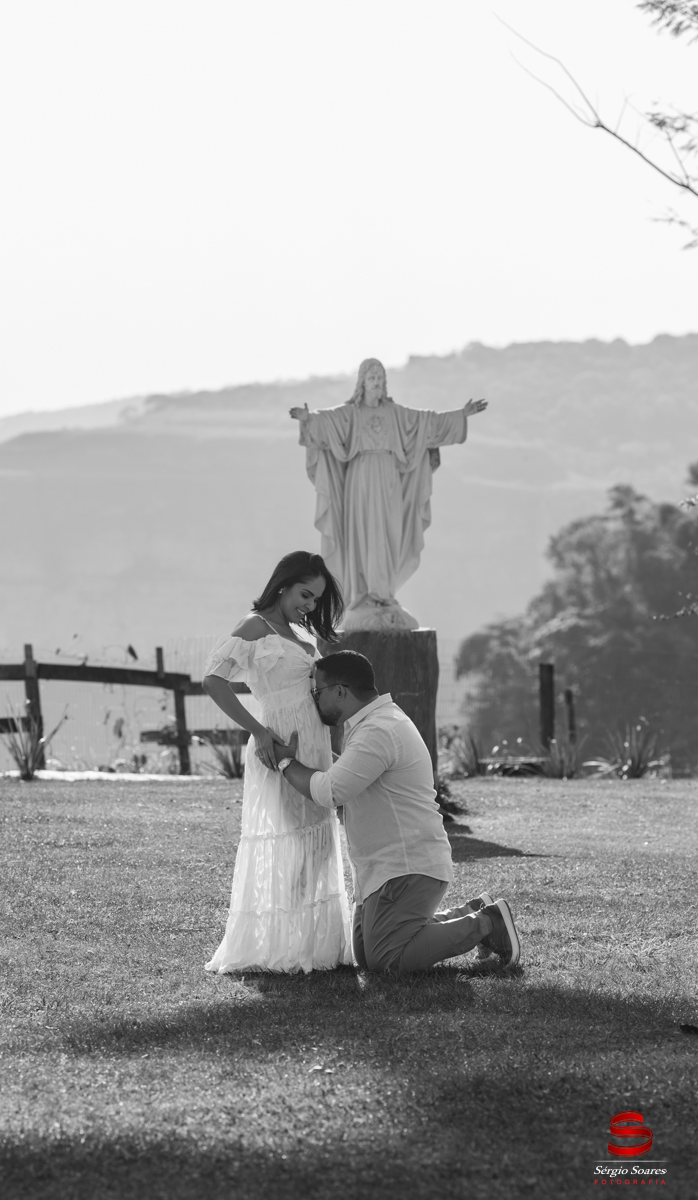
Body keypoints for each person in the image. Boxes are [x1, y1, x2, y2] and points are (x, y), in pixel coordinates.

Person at [266, 650, 520, 971]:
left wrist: (285, 761)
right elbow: (351, 773)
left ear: (340, 691)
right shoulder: (374, 722)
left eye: (317, 692)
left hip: (406, 867)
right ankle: (470, 913)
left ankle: (487, 923)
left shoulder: (378, 729)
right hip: (388, 867)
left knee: (387, 958)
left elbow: (331, 791)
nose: (315, 700)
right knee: (366, 953)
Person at [202, 551, 353, 973]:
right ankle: (284, 942)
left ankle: (307, 941)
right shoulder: (255, 626)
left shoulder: (298, 632)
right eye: (305, 594)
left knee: (319, 847)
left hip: (315, 745)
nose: (310, 605)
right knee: (297, 845)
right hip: (281, 745)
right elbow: (213, 679)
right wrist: (258, 731)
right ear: (283, 585)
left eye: (316, 599)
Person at [290, 358, 488, 630]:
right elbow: (327, 421)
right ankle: (363, 596)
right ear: (362, 382)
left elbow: (427, 422)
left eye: (380, 378)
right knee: (362, 537)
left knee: (389, 535)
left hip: (390, 480)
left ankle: (384, 595)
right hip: (360, 481)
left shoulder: (395, 413)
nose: (377, 383)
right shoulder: (351, 413)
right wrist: (308, 419)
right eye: (372, 378)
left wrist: (460, 415)